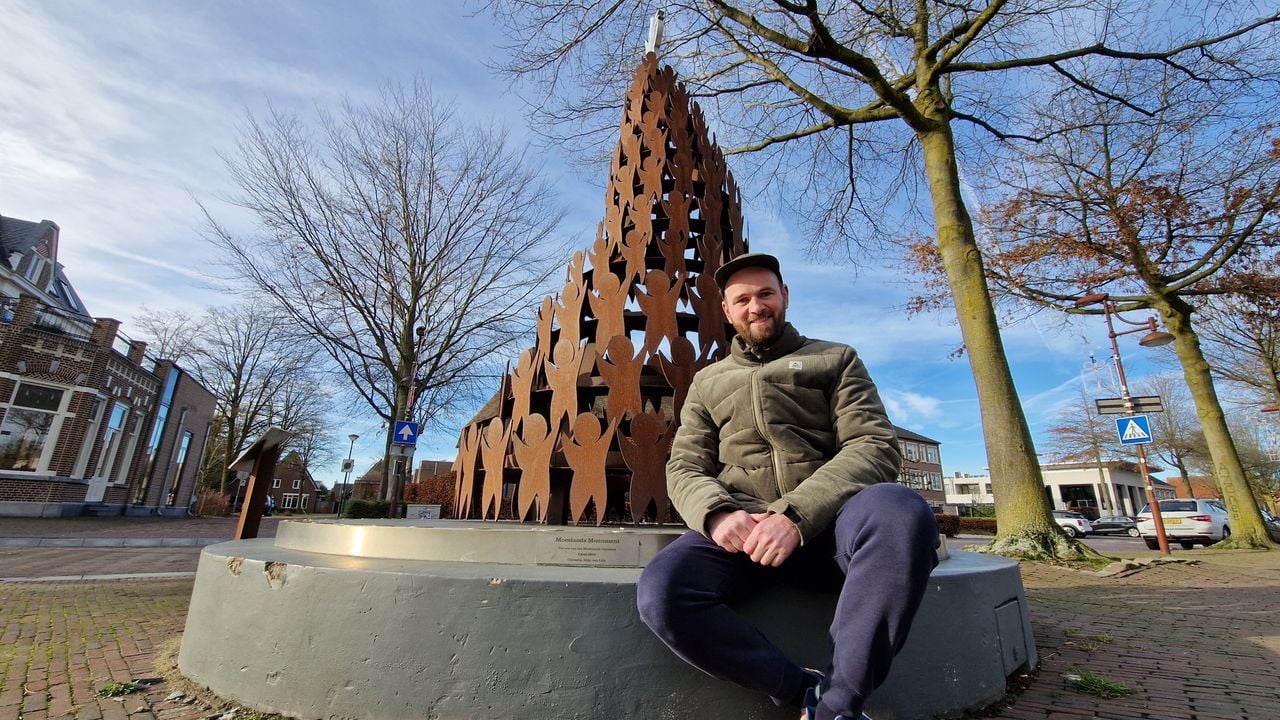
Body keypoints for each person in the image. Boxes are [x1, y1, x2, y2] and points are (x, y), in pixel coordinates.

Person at [636, 253, 939, 720]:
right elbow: (684, 466)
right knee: (663, 590)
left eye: (765, 294)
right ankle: (804, 692)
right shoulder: (706, 382)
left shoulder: (835, 359)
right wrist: (717, 514)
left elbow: (874, 446)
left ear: (785, 297)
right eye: (742, 299)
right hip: (742, 533)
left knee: (900, 510)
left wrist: (795, 517)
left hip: (828, 527)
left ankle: (839, 708)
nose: (756, 306)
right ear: (727, 311)